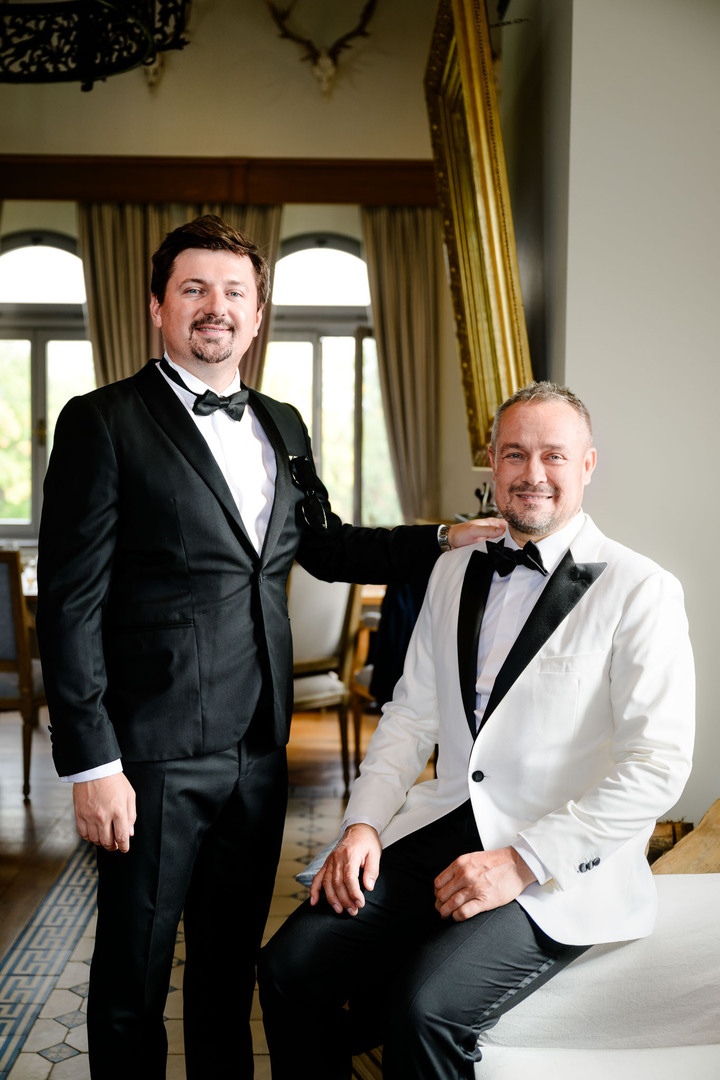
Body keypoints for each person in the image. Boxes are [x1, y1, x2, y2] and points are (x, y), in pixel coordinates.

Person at [35, 215, 503, 1080]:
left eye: (234, 293)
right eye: (194, 290)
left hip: (260, 749)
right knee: (132, 977)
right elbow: (69, 604)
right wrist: (91, 762)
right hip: (150, 754)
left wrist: (441, 536)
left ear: (257, 316)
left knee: (226, 967)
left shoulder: (283, 424)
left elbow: (326, 546)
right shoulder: (101, 422)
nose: (216, 308)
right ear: (157, 307)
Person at [258, 381, 696, 1080]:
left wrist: (522, 860)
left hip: (557, 857)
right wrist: (364, 824)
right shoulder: (454, 570)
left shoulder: (641, 590)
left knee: (424, 1009)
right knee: (288, 969)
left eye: (554, 455)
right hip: (444, 821)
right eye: (515, 454)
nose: (533, 474)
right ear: (492, 461)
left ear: (586, 464)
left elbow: (656, 764)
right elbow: (411, 715)